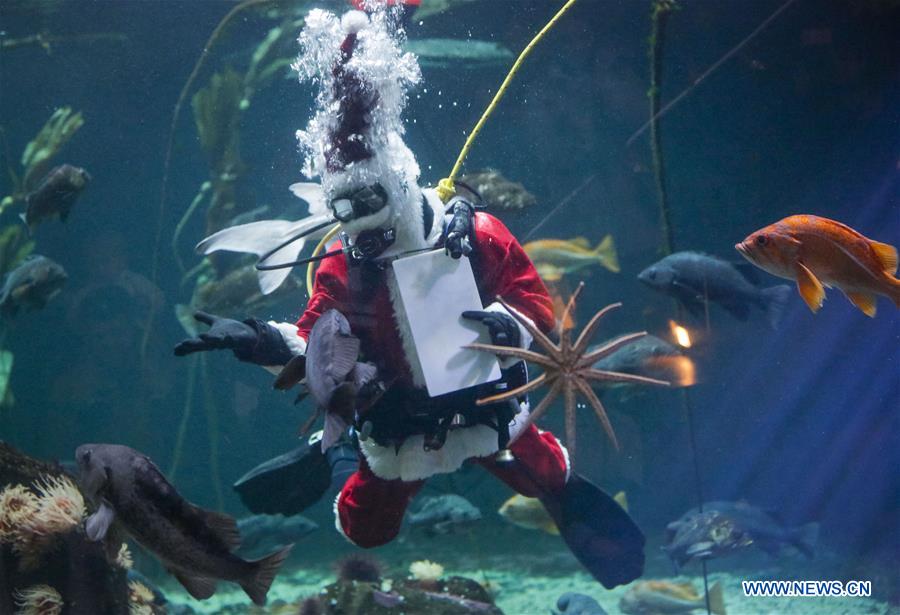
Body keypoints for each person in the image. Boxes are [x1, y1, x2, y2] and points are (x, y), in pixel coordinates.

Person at [175, 5, 643, 588]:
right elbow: (318, 335)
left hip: (484, 406)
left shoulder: (474, 235)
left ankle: (575, 511)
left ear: (396, 185)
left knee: (542, 471)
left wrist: (509, 329)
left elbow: (529, 297)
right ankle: (340, 454)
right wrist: (261, 338)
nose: (362, 226)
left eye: (369, 204)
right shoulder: (342, 267)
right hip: (396, 426)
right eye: (346, 211)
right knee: (365, 528)